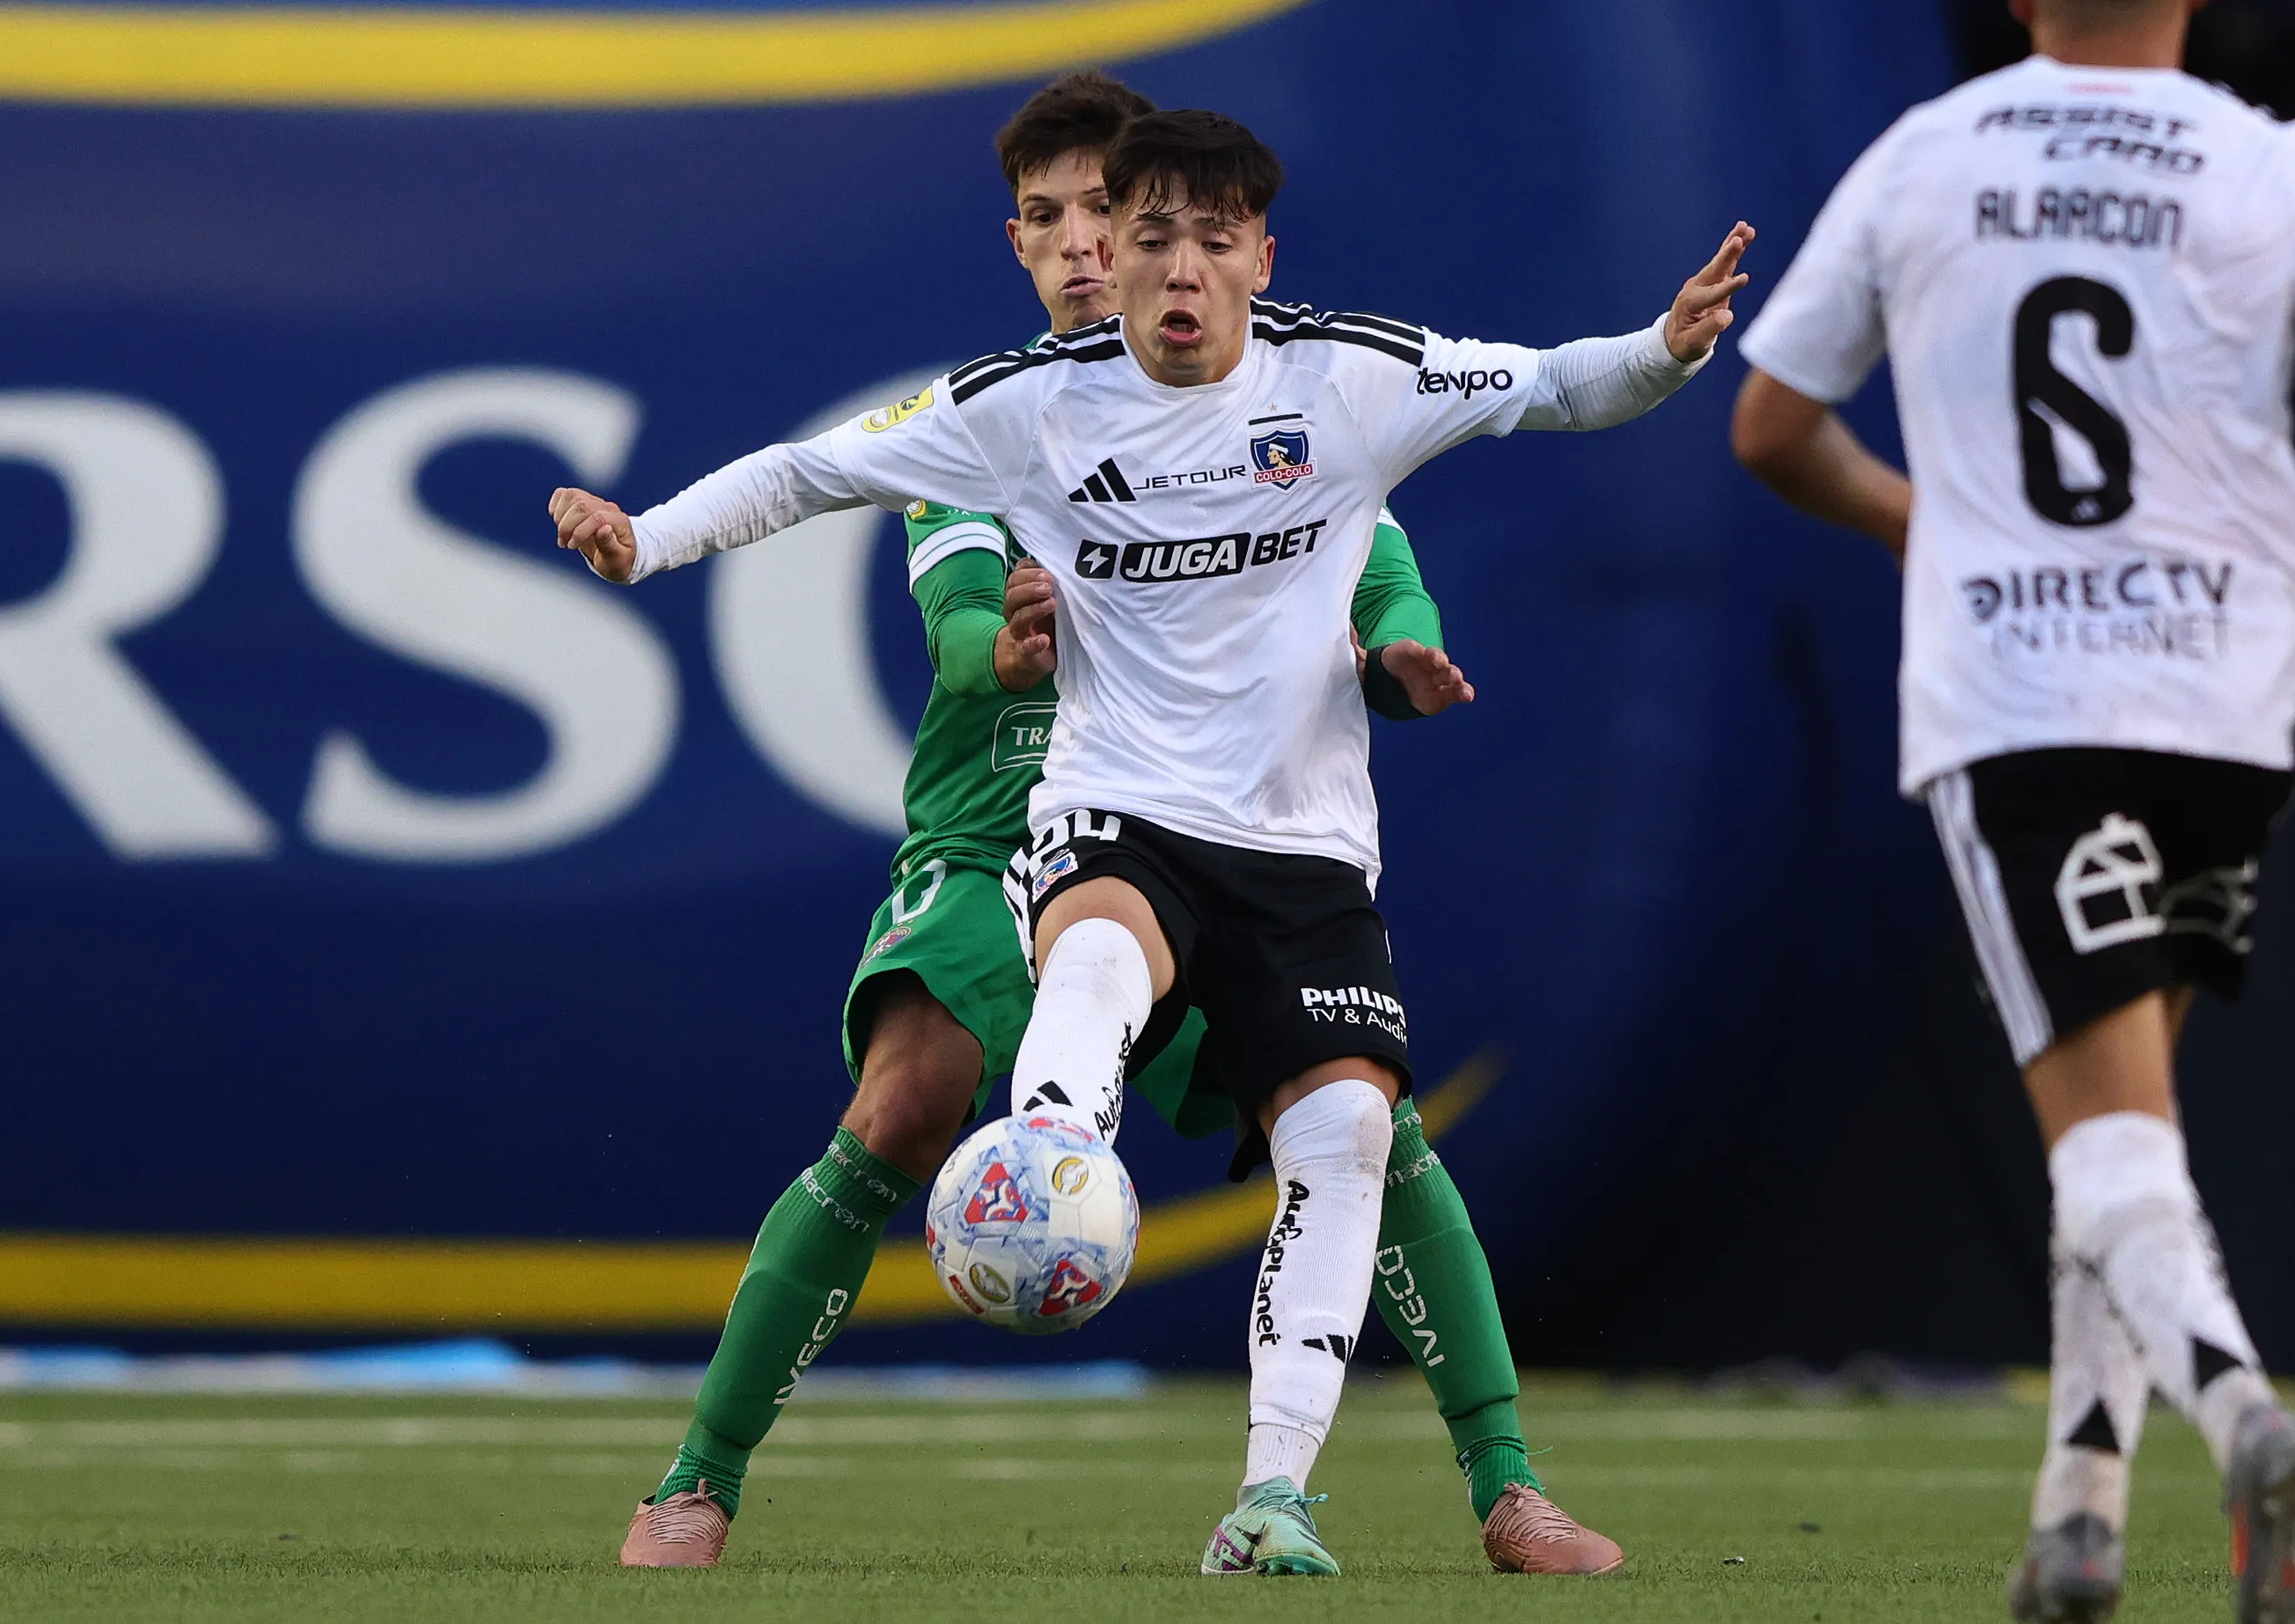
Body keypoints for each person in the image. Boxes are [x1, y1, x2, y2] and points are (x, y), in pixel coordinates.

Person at [558, 106, 1748, 1576]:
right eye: (1062, 220)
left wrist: (1403, 651)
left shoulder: (1308, 399)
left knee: (1372, 1136)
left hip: (1241, 832)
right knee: (907, 1102)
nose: (1091, 245)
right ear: (1039, 244)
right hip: (1014, 824)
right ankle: (697, 1481)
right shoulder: (993, 420)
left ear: (1234, 247)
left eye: (1116, 219)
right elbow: (956, 635)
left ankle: (1499, 1486)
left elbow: (1372, 556)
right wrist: (995, 640)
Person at [1731, 3, 2295, 1618]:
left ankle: (2245, 1405)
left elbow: (1770, 422)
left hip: (2033, 697)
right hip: (2223, 703)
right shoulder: (2259, 164)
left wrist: (1918, 517)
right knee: (2127, 1136)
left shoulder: (1934, 149)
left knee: (2107, 1142)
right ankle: (2078, 1513)